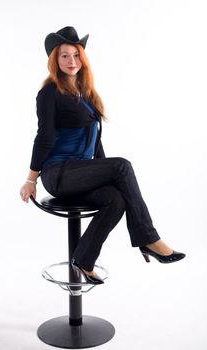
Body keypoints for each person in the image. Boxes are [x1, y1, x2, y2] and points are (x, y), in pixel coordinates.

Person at [20, 26, 185, 285]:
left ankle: (84, 259)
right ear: (55, 60)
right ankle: (148, 238)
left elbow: (96, 143)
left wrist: (105, 173)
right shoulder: (49, 93)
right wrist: (31, 180)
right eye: (64, 56)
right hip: (59, 174)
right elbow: (44, 138)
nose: (71, 61)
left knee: (115, 199)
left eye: (76, 55)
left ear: (82, 59)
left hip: (82, 174)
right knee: (122, 166)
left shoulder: (86, 94)